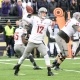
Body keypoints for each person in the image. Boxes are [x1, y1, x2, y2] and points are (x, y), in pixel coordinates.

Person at [13, 7, 54, 76]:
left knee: (46, 55)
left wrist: (51, 28)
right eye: (43, 12)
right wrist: (28, 13)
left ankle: (49, 71)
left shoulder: (47, 21)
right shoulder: (35, 19)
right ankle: (17, 69)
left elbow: (52, 24)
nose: (44, 14)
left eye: (45, 13)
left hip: (40, 42)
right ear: (39, 13)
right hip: (32, 41)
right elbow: (24, 18)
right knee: (23, 56)